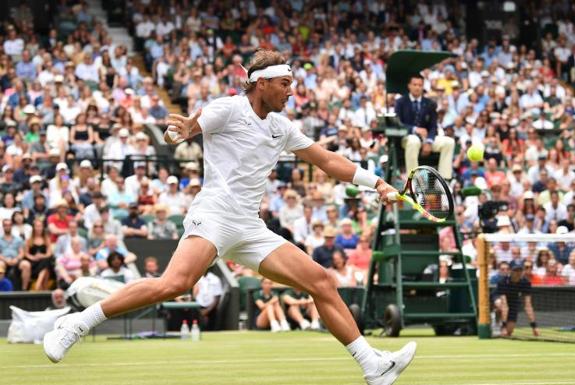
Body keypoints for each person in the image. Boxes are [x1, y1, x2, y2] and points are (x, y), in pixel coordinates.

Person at [44, 50, 415, 385]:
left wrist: (377, 182)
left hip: (250, 227)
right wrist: (182, 131)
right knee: (175, 283)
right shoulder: (228, 108)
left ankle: (372, 366)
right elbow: (192, 125)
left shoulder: (281, 127)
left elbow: (328, 160)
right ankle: (77, 323)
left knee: (321, 281)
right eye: (285, 84)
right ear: (261, 83)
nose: (291, 92)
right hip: (215, 214)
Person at [395, 75, 454, 179]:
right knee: (413, 141)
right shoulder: (401, 102)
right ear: (409, 86)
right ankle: (413, 180)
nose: (417, 87)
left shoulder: (429, 103)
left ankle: (444, 181)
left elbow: (433, 126)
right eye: (415, 84)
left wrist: (429, 141)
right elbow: (398, 123)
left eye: (420, 85)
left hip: (426, 138)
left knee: (449, 142)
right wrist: (414, 129)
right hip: (407, 138)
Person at [495, 264, 539, 338]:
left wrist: (534, 326)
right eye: (515, 271)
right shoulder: (503, 282)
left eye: (520, 271)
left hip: (513, 301)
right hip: (498, 297)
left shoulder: (526, 283)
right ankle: (496, 325)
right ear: (510, 271)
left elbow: (528, 306)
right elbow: (505, 306)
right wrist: (504, 327)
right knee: (500, 305)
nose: (518, 273)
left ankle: (504, 328)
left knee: (509, 332)